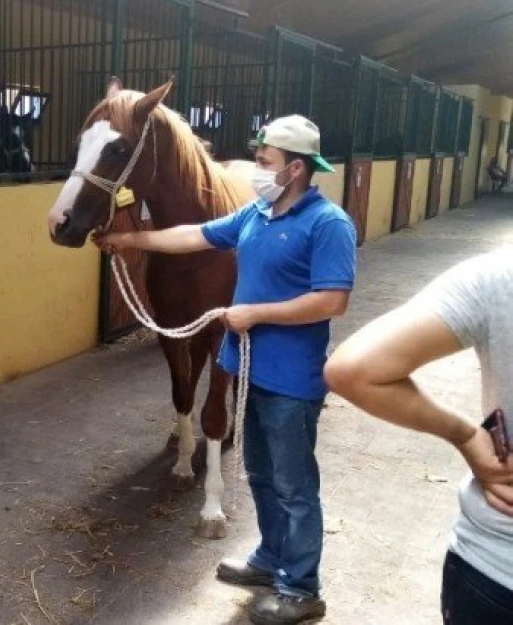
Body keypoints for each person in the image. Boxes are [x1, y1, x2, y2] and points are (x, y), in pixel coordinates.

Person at [95, 115, 357, 624]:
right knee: (260, 473)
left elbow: (333, 301)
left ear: (296, 167)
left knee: (294, 484)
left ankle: (301, 587)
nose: (256, 168)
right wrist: (130, 242)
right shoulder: (257, 213)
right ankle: (270, 560)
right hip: (251, 369)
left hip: (291, 378)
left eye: (265, 162)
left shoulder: (328, 224)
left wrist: (255, 314)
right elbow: (194, 235)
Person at [325, 250, 513, 624]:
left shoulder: (498, 276)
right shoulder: (254, 219)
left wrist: (465, 436)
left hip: (496, 567)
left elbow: (334, 309)